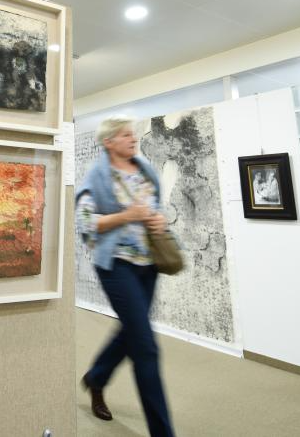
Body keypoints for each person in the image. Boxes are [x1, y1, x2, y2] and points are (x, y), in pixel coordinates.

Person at [76, 115, 175, 437]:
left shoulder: (144, 169)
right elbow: (86, 223)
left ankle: (96, 377)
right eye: (125, 135)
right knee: (146, 346)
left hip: (149, 264)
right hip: (116, 266)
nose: (133, 139)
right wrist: (127, 215)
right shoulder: (97, 175)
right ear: (109, 142)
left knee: (132, 330)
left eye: (133, 134)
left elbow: (154, 208)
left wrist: (158, 220)